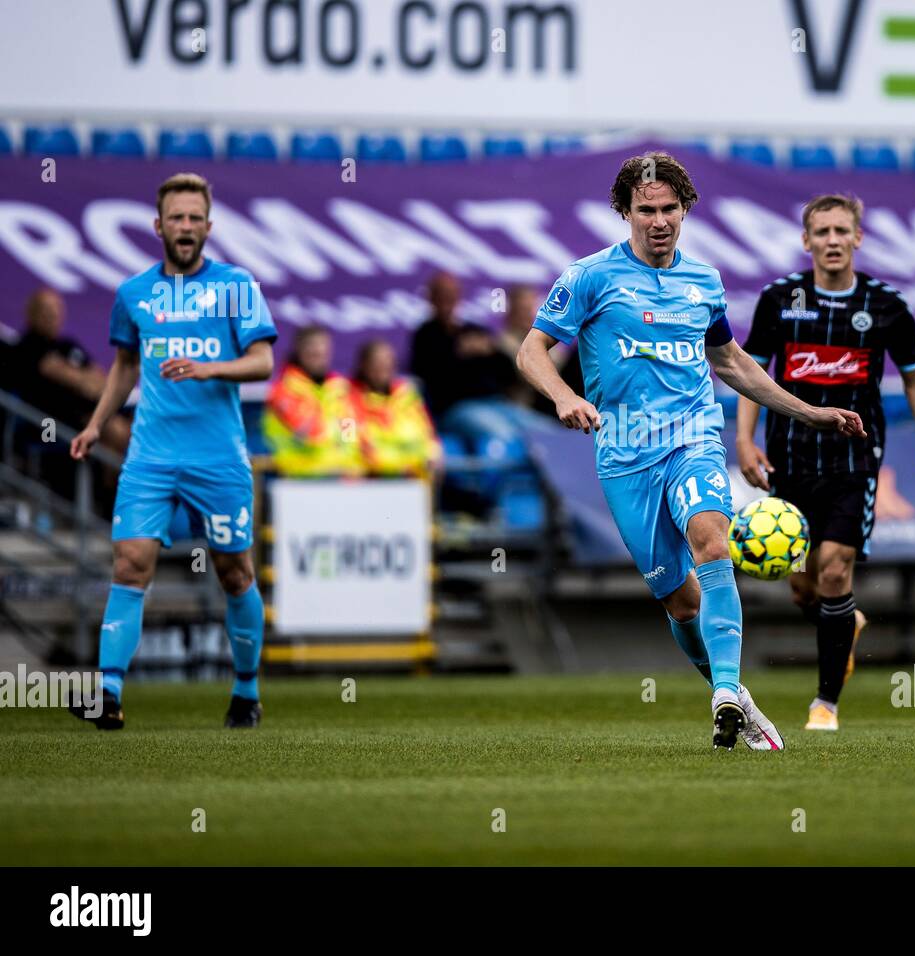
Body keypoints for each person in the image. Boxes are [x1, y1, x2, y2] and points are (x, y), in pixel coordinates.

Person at [516, 152, 865, 751]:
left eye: (670, 209)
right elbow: (530, 351)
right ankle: (740, 699)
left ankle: (725, 692)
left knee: (711, 538)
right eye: (645, 210)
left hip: (693, 438)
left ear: (686, 210)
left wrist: (810, 411)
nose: (659, 220)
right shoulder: (589, 277)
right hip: (625, 454)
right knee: (680, 601)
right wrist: (563, 396)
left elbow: (729, 361)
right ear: (624, 212)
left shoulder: (703, 279)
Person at [68, 172, 278, 730]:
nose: (185, 227)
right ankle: (107, 693)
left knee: (234, 573)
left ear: (208, 226)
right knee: (130, 563)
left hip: (219, 458)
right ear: (158, 226)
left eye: (194, 218)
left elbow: (263, 362)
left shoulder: (237, 285)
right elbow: (124, 367)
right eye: (176, 218)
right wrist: (94, 425)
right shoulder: (133, 293)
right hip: (152, 455)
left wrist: (211, 367)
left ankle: (246, 690)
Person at [736, 193, 915, 732]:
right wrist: (745, 440)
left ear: (858, 238)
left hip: (854, 459)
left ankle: (825, 704)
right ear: (806, 241)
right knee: (805, 586)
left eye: (841, 231)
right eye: (822, 232)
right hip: (788, 458)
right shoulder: (780, 300)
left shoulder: (887, 306)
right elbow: (750, 375)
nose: (832, 240)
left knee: (834, 568)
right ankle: (844, 621)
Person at [12, 288, 131, 456]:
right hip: (48, 422)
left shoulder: (67, 345)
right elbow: (61, 374)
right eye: (46, 311)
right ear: (32, 314)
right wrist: (83, 380)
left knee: (138, 423)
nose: (53, 316)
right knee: (115, 431)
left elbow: (102, 380)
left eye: (56, 310)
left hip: (85, 413)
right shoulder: (28, 346)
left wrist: (84, 380)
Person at [407, 272, 517, 421]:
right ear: (431, 298)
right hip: (455, 408)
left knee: (542, 429)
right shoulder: (425, 335)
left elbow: (509, 372)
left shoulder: (474, 330)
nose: (447, 299)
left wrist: (491, 350)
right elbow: (431, 376)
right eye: (442, 294)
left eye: (451, 294)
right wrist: (459, 351)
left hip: (494, 402)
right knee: (505, 432)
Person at [263, 326, 362, 477]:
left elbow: (350, 431)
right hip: (297, 476)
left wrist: (350, 463)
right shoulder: (284, 389)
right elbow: (311, 435)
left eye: (323, 351)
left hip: (339, 475)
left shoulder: (339, 388)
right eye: (313, 351)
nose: (319, 355)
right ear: (299, 351)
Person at [349, 339, 441, 477]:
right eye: (376, 362)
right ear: (363, 365)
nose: (383, 367)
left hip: (411, 473)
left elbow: (428, 432)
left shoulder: (407, 395)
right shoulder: (346, 396)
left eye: (387, 361)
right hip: (371, 475)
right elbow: (346, 439)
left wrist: (432, 452)